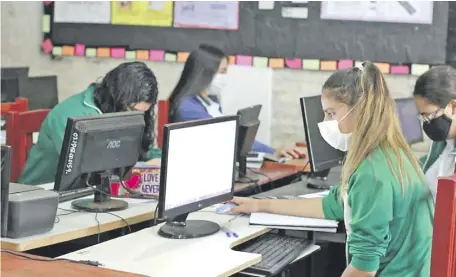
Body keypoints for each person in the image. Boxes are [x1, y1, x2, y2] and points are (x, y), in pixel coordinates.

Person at [229, 62, 434, 277]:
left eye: (330, 113)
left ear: (360, 111)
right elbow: (334, 204)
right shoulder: (390, 153)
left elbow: (364, 268)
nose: (325, 122)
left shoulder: (371, 174)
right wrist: (260, 205)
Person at [19, 62, 161, 185]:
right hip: (41, 197)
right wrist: (137, 169)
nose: (134, 118)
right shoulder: (74, 116)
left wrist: (158, 161)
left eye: (141, 113)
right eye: (131, 110)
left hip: (89, 198)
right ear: (115, 97)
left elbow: (144, 152)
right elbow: (89, 170)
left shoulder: (117, 109)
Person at [168, 44, 304, 158]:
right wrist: (272, 152)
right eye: (222, 72)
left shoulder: (211, 100)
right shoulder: (187, 108)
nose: (224, 77)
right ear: (204, 73)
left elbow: (234, 138)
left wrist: (272, 151)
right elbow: (227, 137)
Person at [413, 65, 456, 199]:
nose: (426, 123)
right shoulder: (443, 142)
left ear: (452, 107)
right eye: (421, 116)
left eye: (428, 115)